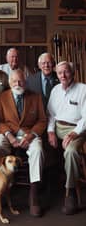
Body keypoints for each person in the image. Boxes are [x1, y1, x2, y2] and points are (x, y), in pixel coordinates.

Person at [0, 69, 47, 217]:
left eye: (20, 81)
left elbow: (42, 120)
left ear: (25, 81)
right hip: (8, 134)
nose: (17, 84)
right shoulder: (1, 97)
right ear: (9, 82)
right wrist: (10, 137)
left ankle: (34, 193)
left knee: (38, 150)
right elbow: (0, 121)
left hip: (29, 134)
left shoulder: (35, 97)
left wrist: (30, 136)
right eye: (14, 81)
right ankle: (1, 186)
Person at [47, 61, 86, 215]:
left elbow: (85, 117)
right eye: (59, 73)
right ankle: (44, 188)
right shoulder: (55, 90)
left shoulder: (83, 89)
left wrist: (75, 132)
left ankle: (69, 192)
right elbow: (50, 114)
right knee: (40, 144)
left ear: (72, 72)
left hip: (77, 129)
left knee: (70, 152)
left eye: (66, 72)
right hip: (58, 128)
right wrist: (50, 132)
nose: (63, 75)